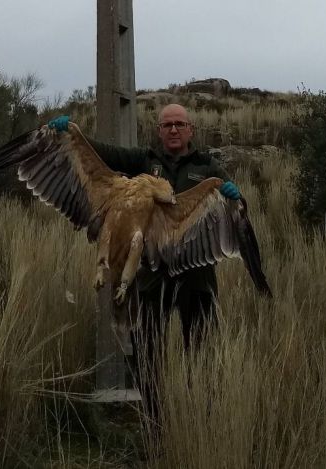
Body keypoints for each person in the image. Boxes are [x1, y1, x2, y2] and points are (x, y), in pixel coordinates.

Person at [48, 104, 242, 425]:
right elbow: (107, 155)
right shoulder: (145, 162)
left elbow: (230, 203)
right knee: (145, 349)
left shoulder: (207, 166)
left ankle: (202, 421)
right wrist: (74, 133)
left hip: (196, 275)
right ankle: (156, 421)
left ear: (191, 130)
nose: (174, 130)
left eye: (180, 124)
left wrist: (234, 194)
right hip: (153, 274)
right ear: (159, 131)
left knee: (203, 349)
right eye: (167, 125)